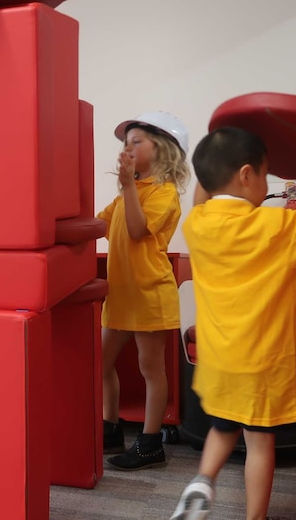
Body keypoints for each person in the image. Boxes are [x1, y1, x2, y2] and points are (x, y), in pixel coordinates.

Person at [170, 113, 296, 520]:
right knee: (259, 443)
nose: (268, 186)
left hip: (217, 359)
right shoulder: (274, 224)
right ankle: (255, 517)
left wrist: (214, 151)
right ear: (247, 176)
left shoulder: (198, 224)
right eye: (266, 175)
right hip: (261, 364)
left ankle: (203, 480)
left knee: (223, 427)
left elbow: (201, 197)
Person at [97, 111, 191, 470]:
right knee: (101, 361)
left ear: (164, 150)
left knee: (150, 368)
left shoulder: (164, 193)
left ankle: (151, 442)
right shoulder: (127, 194)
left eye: (137, 141)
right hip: (121, 293)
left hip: (150, 292)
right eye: (126, 142)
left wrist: (127, 187)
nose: (129, 147)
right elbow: (98, 223)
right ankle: (110, 426)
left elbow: (137, 231)